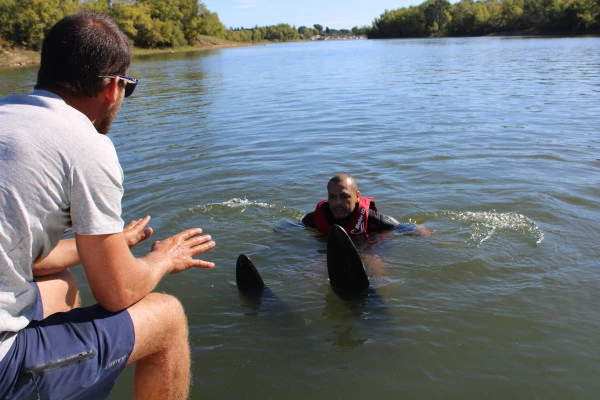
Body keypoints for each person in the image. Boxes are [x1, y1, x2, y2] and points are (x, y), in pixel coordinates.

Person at [0, 11, 215, 400]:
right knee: (167, 319)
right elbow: (117, 292)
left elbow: (25, 257)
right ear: (113, 87)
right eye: (127, 88)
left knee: (57, 285)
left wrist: (103, 247)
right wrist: (163, 258)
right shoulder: (86, 142)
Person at [302, 172, 430, 235]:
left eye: (344, 196)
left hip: (366, 246)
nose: (338, 202)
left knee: (374, 262)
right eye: (333, 197)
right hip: (329, 247)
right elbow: (294, 226)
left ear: (357, 196)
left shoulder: (372, 218)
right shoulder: (316, 217)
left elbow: (406, 227)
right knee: (315, 265)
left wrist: (430, 237)